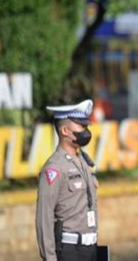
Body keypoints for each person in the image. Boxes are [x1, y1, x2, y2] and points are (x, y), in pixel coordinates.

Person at [36, 99, 98, 261]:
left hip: (90, 249)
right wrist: (49, 258)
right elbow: (45, 217)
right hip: (70, 251)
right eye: (81, 126)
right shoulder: (54, 168)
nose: (86, 130)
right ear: (65, 130)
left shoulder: (83, 161)